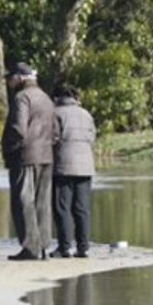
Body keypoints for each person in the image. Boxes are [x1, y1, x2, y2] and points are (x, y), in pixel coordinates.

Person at [1, 62, 55, 261]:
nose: (8, 82)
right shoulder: (46, 98)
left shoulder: (21, 98)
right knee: (42, 203)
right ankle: (43, 247)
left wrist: (11, 147)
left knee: (24, 201)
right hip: (46, 156)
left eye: (10, 78)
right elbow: (55, 131)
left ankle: (30, 248)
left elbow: (19, 129)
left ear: (20, 78)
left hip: (25, 157)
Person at [50, 85, 96, 259]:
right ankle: (83, 248)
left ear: (57, 98)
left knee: (62, 208)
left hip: (63, 166)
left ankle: (65, 247)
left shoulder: (56, 113)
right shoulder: (86, 114)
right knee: (82, 208)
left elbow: (53, 138)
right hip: (86, 166)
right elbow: (92, 138)